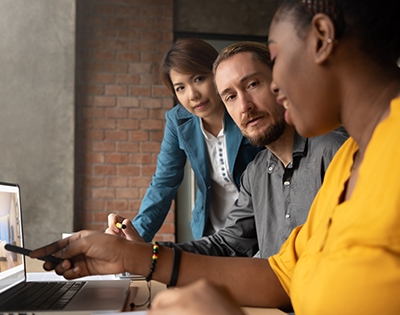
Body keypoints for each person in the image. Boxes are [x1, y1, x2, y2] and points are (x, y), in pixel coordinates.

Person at [31, 0, 400, 313]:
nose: (265, 92)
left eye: (269, 67)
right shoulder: (350, 158)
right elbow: (281, 274)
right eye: (229, 96)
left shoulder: (341, 152)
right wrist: (134, 256)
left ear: (322, 38)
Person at [107, 41, 347, 260]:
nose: (244, 106)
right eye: (230, 96)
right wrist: (138, 244)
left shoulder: (333, 151)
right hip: (232, 230)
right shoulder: (257, 170)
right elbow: (163, 183)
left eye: (252, 84)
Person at [131, 38, 261, 241]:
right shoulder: (178, 121)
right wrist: (136, 237)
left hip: (258, 229)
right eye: (180, 88)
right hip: (211, 233)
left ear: (217, 73)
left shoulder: (247, 110)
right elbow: (163, 183)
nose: (193, 95)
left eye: (199, 78)